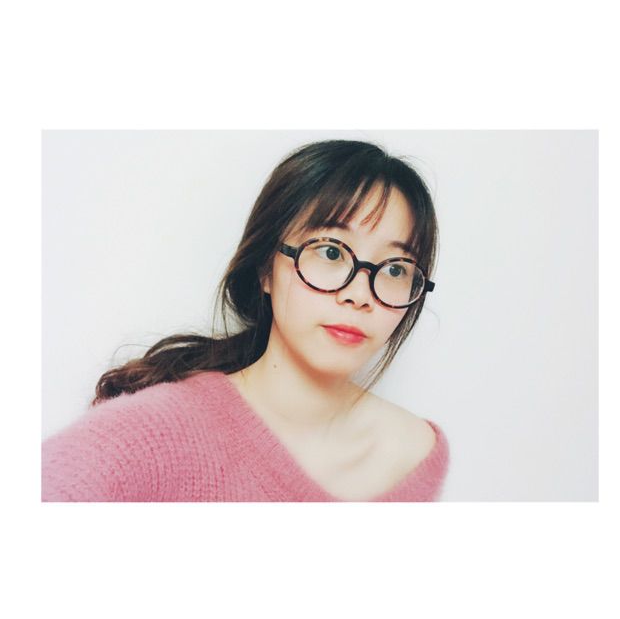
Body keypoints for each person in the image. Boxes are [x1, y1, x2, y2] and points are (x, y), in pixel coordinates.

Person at [41, 138, 449, 502]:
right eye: (330, 252)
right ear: (266, 269)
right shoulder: (150, 433)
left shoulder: (418, 453)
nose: (359, 295)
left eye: (395, 269)